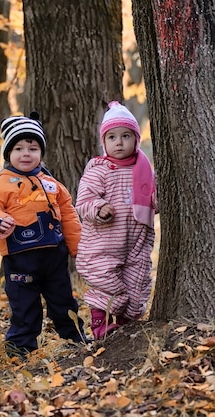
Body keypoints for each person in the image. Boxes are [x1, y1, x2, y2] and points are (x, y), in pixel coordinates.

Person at [0, 112, 87, 357]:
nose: (26, 153)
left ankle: (76, 340)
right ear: (8, 154)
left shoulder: (52, 184)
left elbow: (68, 215)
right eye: (19, 148)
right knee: (25, 308)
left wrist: (78, 248)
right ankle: (19, 349)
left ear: (41, 153)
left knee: (64, 302)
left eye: (33, 148)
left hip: (54, 258)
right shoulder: (0, 184)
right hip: (19, 259)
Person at [75, 101, 157, 340]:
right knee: (109, 286)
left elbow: (153, 199)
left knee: (137, 285)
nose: (119, 142)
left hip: (135, 243)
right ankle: (100, 327)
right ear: (104, 142)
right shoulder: (99, 170)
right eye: (112, 137)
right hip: (103, 245)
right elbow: (84, 201)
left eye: (125, 136)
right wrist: (99, 208)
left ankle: (125, 325)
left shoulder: (143, 170)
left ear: (136, 139)